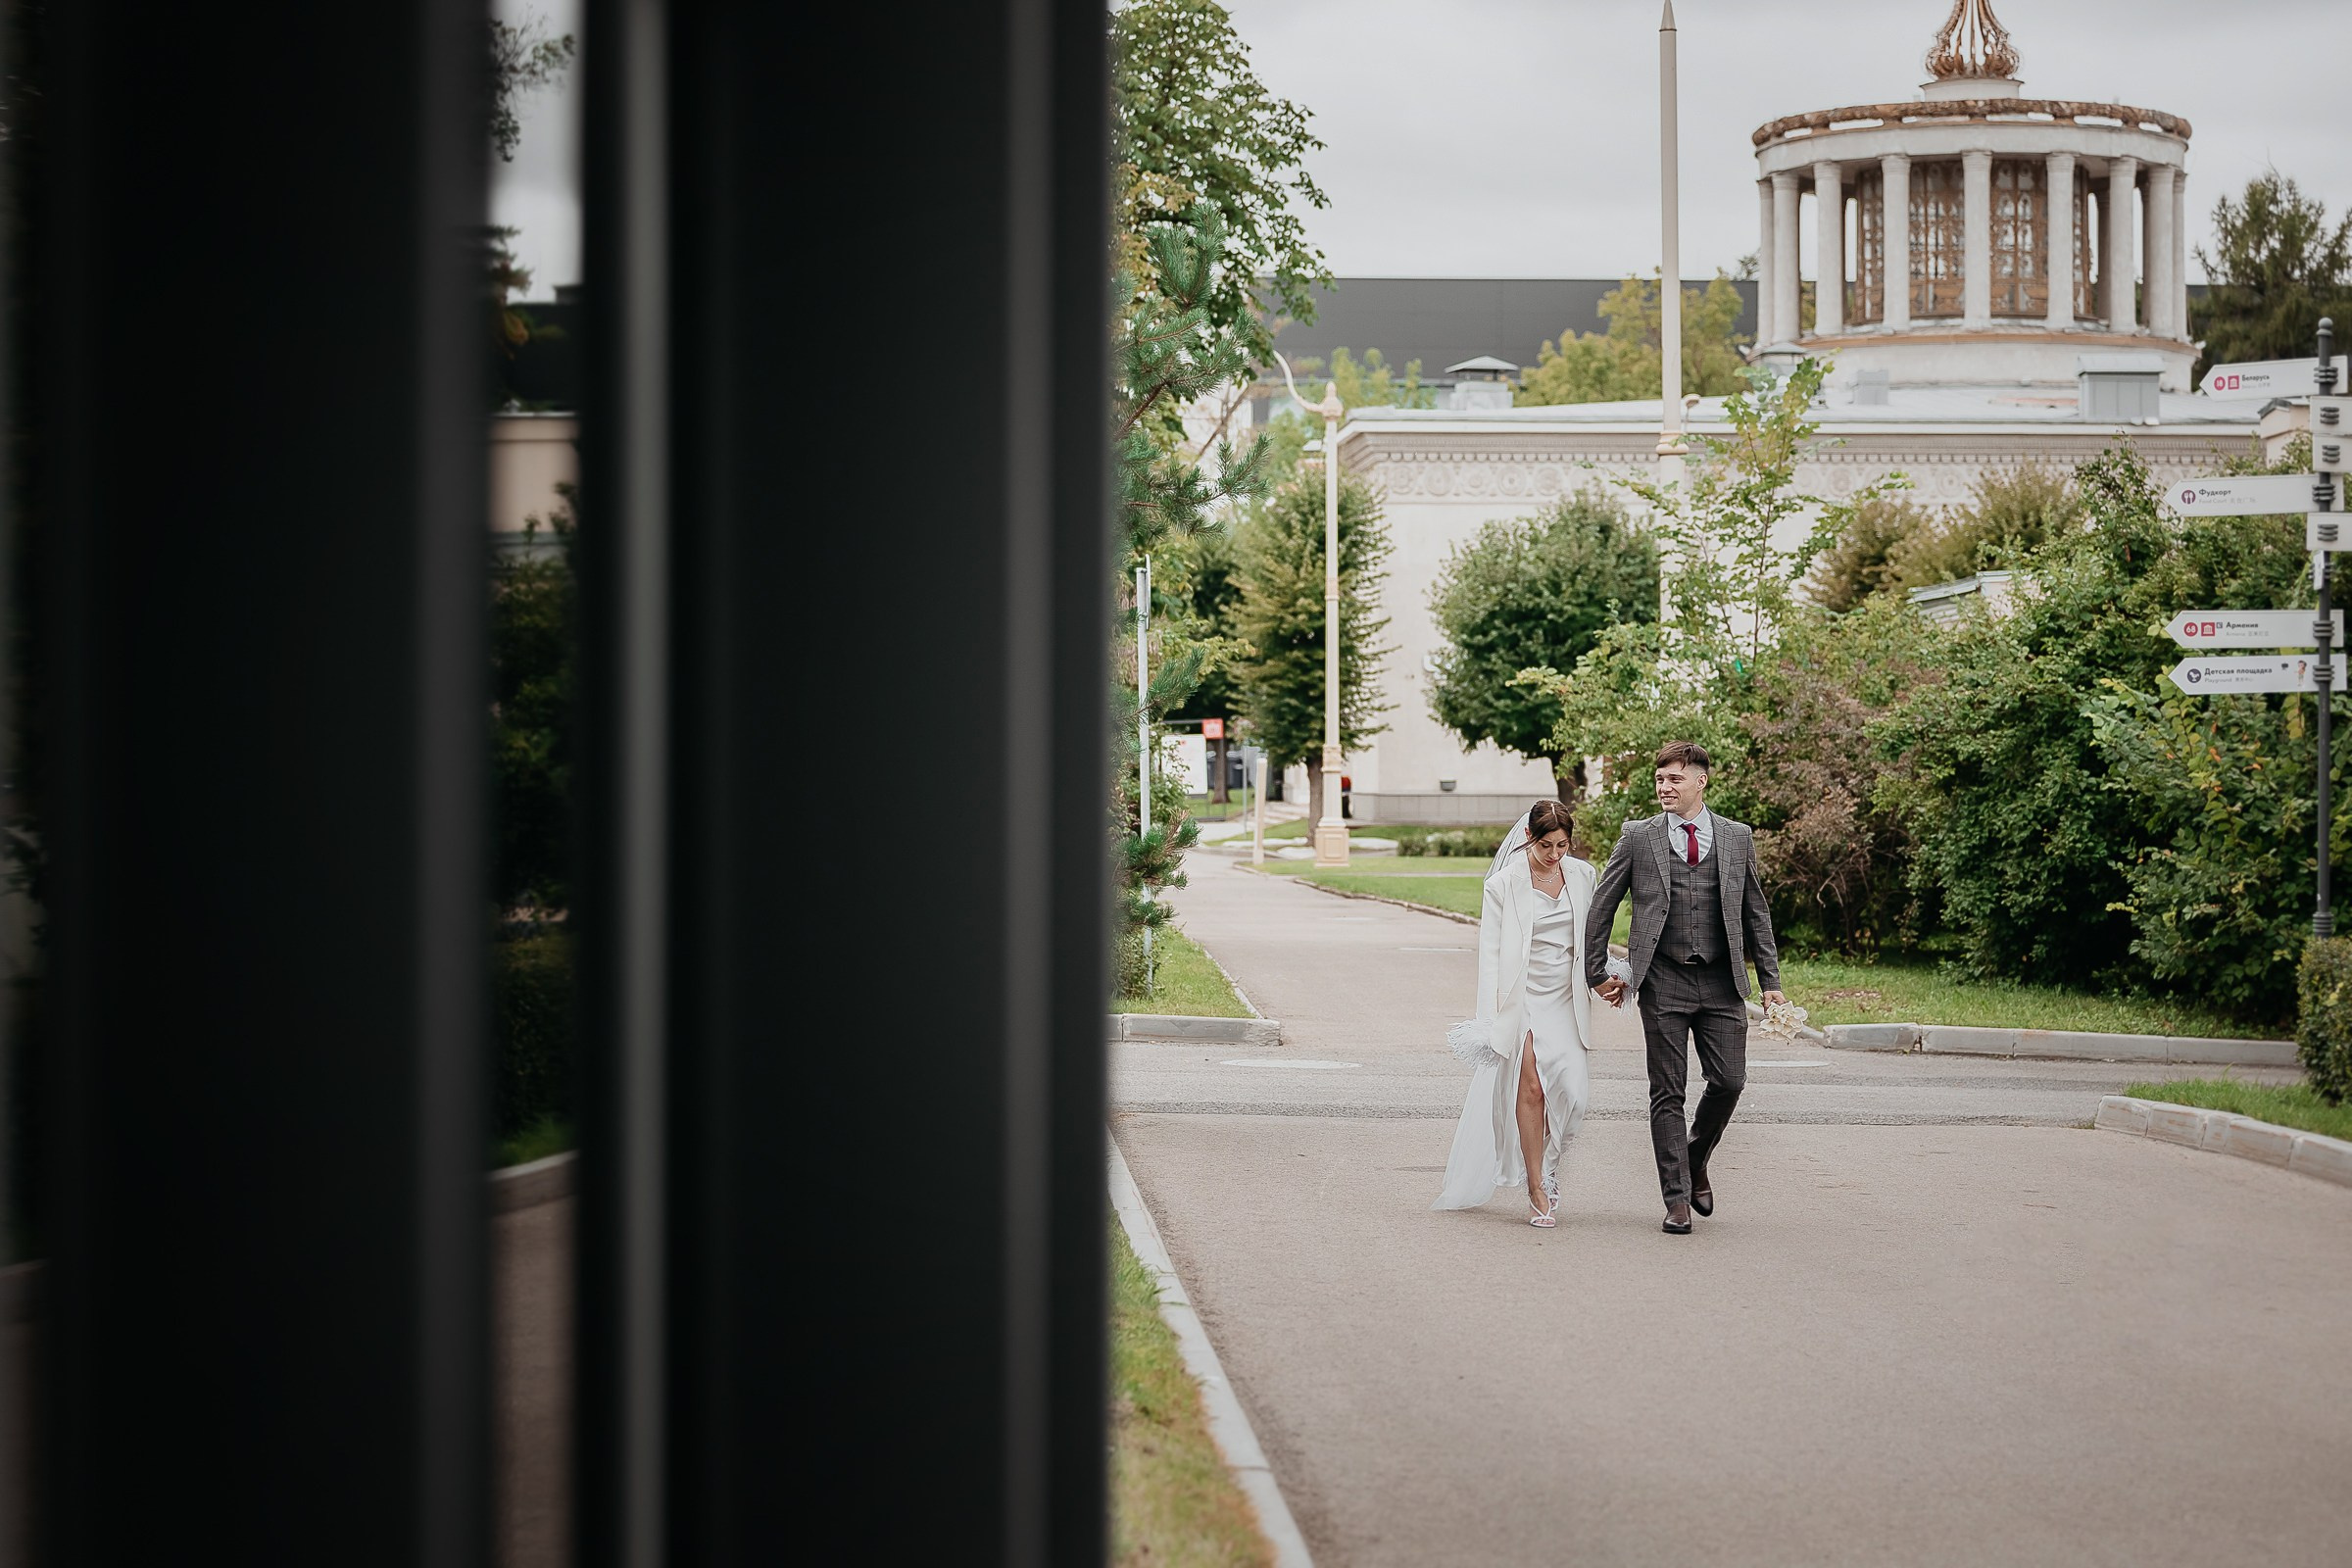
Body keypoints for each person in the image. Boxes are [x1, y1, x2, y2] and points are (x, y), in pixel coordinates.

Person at [1587, 741, 1785, 1236]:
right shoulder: (1638, 837)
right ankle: (1675, 1199)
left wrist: (1771, 983)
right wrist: (1598, 972)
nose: (1664, 787)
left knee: (1729, 1082)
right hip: (1663, 981)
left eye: (1675, 779)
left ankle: (1695, 1155)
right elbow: (1601, 907)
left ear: (1701, 781)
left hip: (1721, 982)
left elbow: (1754, 913)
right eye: (1659, 779)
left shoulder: (1737, 838)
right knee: (1667, 1092)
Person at [1434, 800, 1602, 1226]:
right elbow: (1490, 954)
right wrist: (1489, 1020)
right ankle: (1535, 1186)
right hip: (1521, 998)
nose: (1554, 854)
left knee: (1575, 1095)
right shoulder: (1504, 884)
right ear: (1529, 837)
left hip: (1565, 997)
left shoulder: (1583, 876)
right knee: (1531, 1088)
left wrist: (1606, 978)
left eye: (1563, 845)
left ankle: (1548, 1162)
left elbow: (1593, 939)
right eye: (1546, 845)